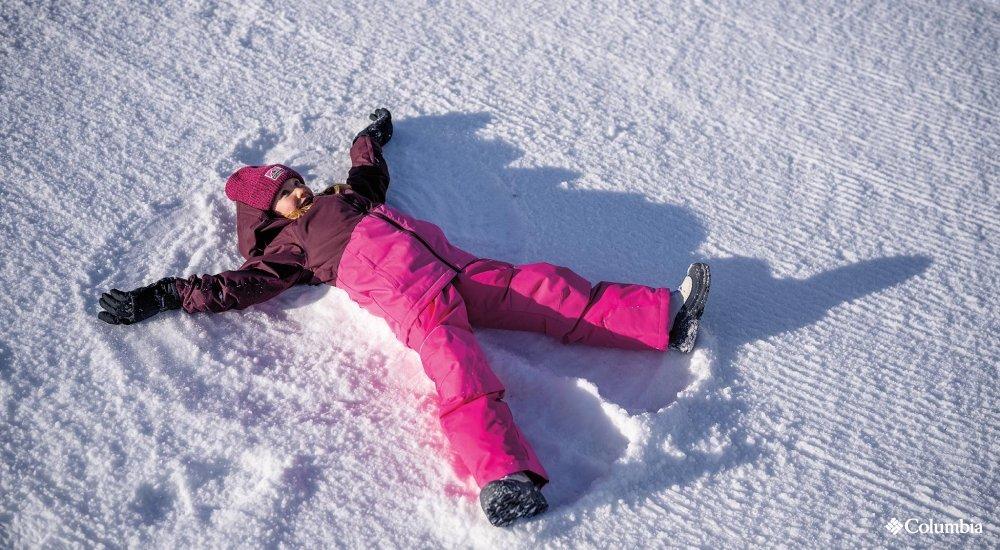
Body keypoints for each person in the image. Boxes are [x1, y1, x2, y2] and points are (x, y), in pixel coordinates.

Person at [97, 109, 711, 527]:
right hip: (418, 304)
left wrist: (372, 137)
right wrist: (165, 295)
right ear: (269, 212)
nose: (302, 192)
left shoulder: (346, 197)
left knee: (547, 289)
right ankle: (504, 479)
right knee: (460, 374)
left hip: (464, 271)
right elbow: (236, 287)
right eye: (287, 192)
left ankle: (663, 322)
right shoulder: (289, 248)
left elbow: (368, 172)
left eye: (300, 183)